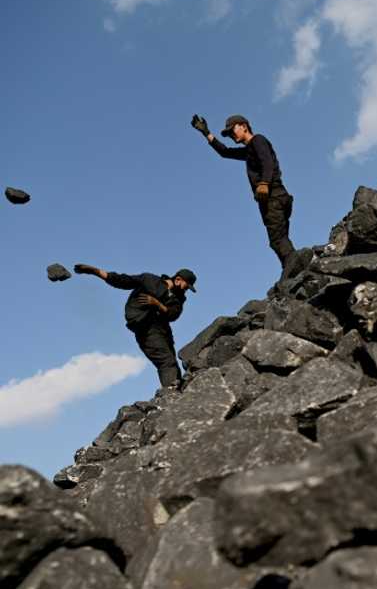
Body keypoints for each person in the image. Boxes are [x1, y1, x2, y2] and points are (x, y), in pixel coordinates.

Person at [190, 113, 296, 278]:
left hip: (273, 197)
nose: (232, 136)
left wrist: (264, 183)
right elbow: (224, 152)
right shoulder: (248, 150)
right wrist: (206, 133)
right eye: (229, 134)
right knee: (279, 239)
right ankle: (292, 272)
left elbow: (267, 161)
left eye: (233, 130)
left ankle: (294, 269)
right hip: (272, 199)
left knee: (278, 240)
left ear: (244, 126)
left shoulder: (258, 140)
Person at [73, 264, 197, 389]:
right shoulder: (150, 280)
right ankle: (171, 393)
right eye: (186, 286)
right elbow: (121, 280)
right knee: (166, 361)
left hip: (163, 331)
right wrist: (94, 271)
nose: (185, 290)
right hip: (146, 329)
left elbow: (173, 315)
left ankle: (178, 392)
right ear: (178, 280)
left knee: (172, 362)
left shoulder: (178, 299)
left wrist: (157, 304)